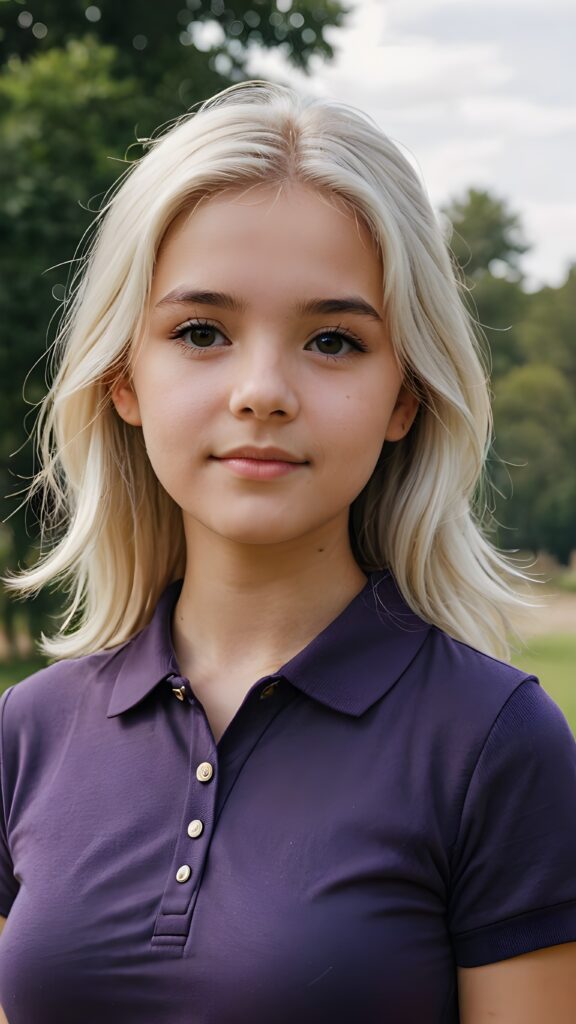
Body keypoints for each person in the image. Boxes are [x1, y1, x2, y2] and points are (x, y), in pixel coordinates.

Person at [0, 79, 575, 1024]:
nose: (262, 390)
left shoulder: (492, 745)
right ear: (122, 379)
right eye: (200, 332)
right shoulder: (31, 732)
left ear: (406, 397)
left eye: (334, 342)